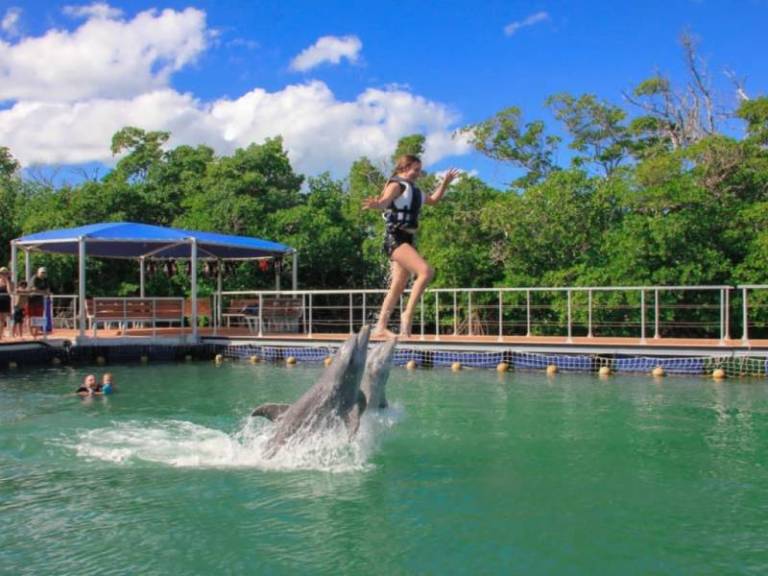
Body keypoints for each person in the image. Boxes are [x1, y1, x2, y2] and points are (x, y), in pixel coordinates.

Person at [363, 155, 459, 338]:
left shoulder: (415, 191)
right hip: (395, 238)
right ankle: (407, 314)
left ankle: (380, 326)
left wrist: (445, 183)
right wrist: (376, 205)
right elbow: (384, 202)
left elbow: (434, 200)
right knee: (426, 271)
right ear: (403, 168)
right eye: (415, 169)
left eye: (419, 170)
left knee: (398, 286)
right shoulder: (396, 185)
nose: (418, 173)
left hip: (407, 239)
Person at [28, 267, 51, 338]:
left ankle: (36, 334)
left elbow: (47, 290)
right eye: (42, 273)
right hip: (31, 300)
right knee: (31, 317)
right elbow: (34, 289)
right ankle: (31, 333)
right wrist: (43, 292)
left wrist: (44, 292)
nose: (43, 274)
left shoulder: (45, 280)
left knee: (39, 317)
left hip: (40, 301)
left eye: (44, 273)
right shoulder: (34, 278)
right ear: (38, 272)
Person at [0, 267, 14, 341]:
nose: (3, 274)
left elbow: (9, 292)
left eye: (5, 273)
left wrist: (7, 281)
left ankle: (1, 335)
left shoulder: (10, 282)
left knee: (3, 320)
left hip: (6, 302)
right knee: (1, 320)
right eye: (2, 273)